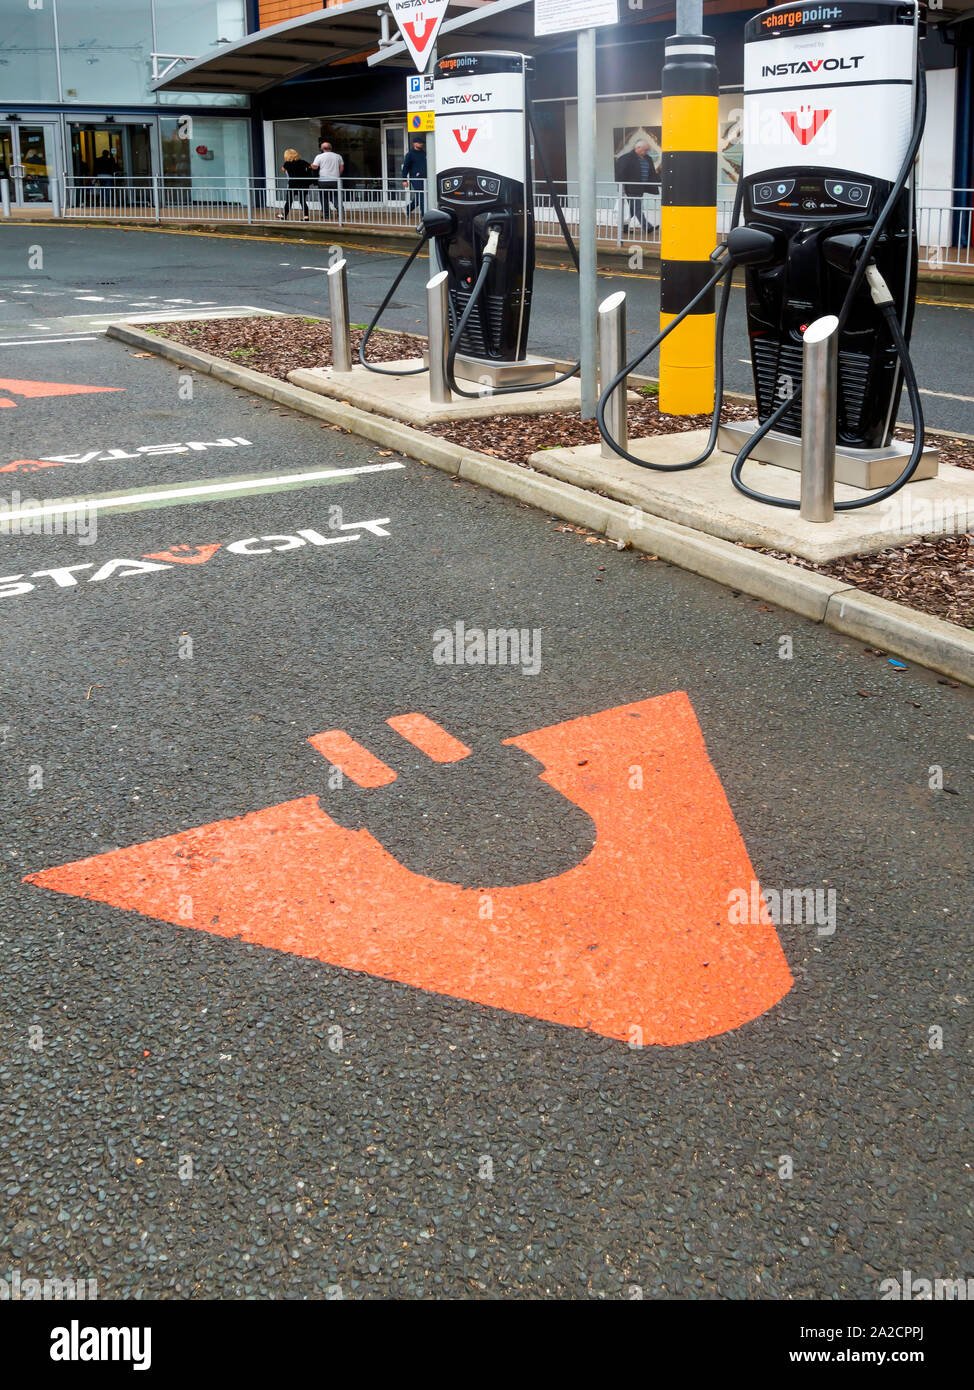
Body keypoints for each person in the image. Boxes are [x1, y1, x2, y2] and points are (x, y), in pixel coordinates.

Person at [616, 138, 659, 237]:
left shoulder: (648, 158)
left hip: (641, 188)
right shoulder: (627, 158)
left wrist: (660, 181)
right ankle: (647, 227)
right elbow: (621, 173)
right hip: (631, 188)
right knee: (637, 208)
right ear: (638, 148)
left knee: (632, 209)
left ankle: (624, 228)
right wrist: (621, 188)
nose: (646, 152)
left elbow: (652, 173)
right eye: (645, 150)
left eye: (647, 150)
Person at [311, 140, 344, 219]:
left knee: (324, 197)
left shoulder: (319, 156)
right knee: (336, 196)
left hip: (323, 181)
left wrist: (311, 165)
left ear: (322, 149)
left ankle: (326, 215)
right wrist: (338, 175)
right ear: (331, 148)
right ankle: (340, 211)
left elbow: (315, 167)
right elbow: (342, 167)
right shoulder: (338, 156)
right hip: (335, 180)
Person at [279, 147, 314, 221]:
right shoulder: (302, 162)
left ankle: (284, 216)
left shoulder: (287, 164)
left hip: (293, 185)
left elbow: (283, 170)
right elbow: (311, 166)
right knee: (302, 201)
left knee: (289, 201)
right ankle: (306, 217)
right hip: (303, 184)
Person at [401, 138, 427, 218]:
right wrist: (404, 180)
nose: (421, 144)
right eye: (419, 143)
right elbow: (405, 167)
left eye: (422, 142)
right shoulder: (410, 154)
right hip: (415, 178)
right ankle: (424, 214)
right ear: (414, 144)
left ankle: (408, 208)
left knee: (420, 196)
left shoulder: (423, 153)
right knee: (422, 195)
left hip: (425, 177)